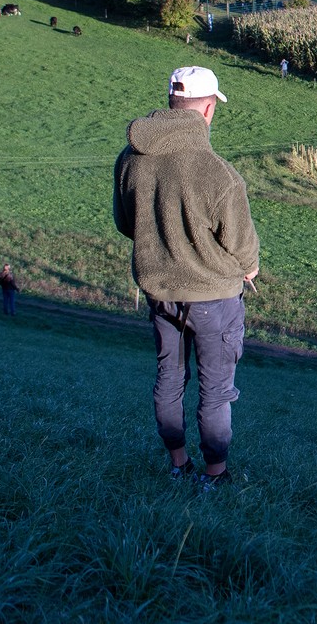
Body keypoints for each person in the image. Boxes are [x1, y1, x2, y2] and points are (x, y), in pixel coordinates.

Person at [114, 65, 259, 487]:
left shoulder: (130, 159)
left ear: (172, 101)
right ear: (208, 110)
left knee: (169, 379)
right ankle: (216, 473)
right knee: (215, 391)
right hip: (213, 299)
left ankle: (178, 465)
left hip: (159, 292)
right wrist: (248, 269)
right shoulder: (219, 174)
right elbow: (243, 249)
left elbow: (128, 223)